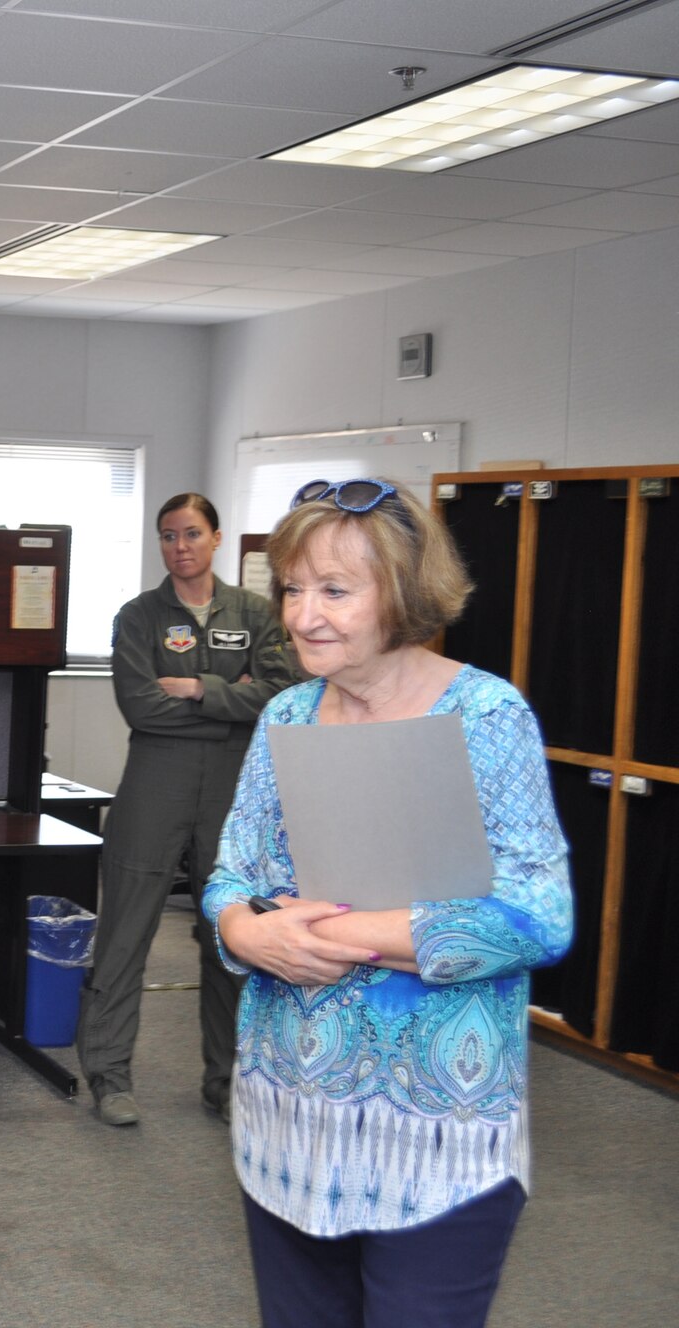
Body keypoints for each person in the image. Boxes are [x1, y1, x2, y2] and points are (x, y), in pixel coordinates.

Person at [203, 479, 572, 1328]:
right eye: (293, 589)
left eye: (334, 590)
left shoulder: (485, 715)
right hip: (286, 1131)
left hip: (435, 1141)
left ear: (401, 594)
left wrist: (333, 935)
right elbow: (228, 876)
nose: (303, 616)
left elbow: (539, 913)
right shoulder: (287, 715)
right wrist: (245, 932)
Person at [76, 492, 297, 1128]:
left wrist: (201, 688)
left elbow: (281, 694)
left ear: (217, 538)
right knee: (125, 934)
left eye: (192, 534)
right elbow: (141, 706)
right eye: (169, 536)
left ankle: (226, 1081)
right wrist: (234, 700)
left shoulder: (256, 613)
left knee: (229, 937)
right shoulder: (139, 617)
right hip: (154, 783)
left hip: (233, 790)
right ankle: (110, 1077)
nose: (181, 546)